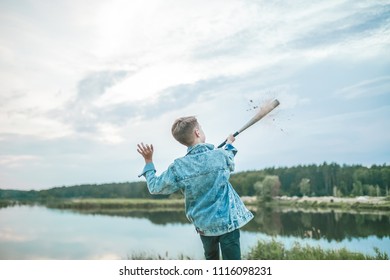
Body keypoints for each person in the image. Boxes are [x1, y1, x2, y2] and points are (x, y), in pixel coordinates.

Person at [137, 116, 253, 260]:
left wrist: (148, 161)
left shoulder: (178, 167)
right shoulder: (220, 155)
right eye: (202, 129)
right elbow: (229, 157)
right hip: (227, 223)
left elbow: (154, 187)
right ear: (197, 132)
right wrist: (229, 143)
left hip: (204, 227)